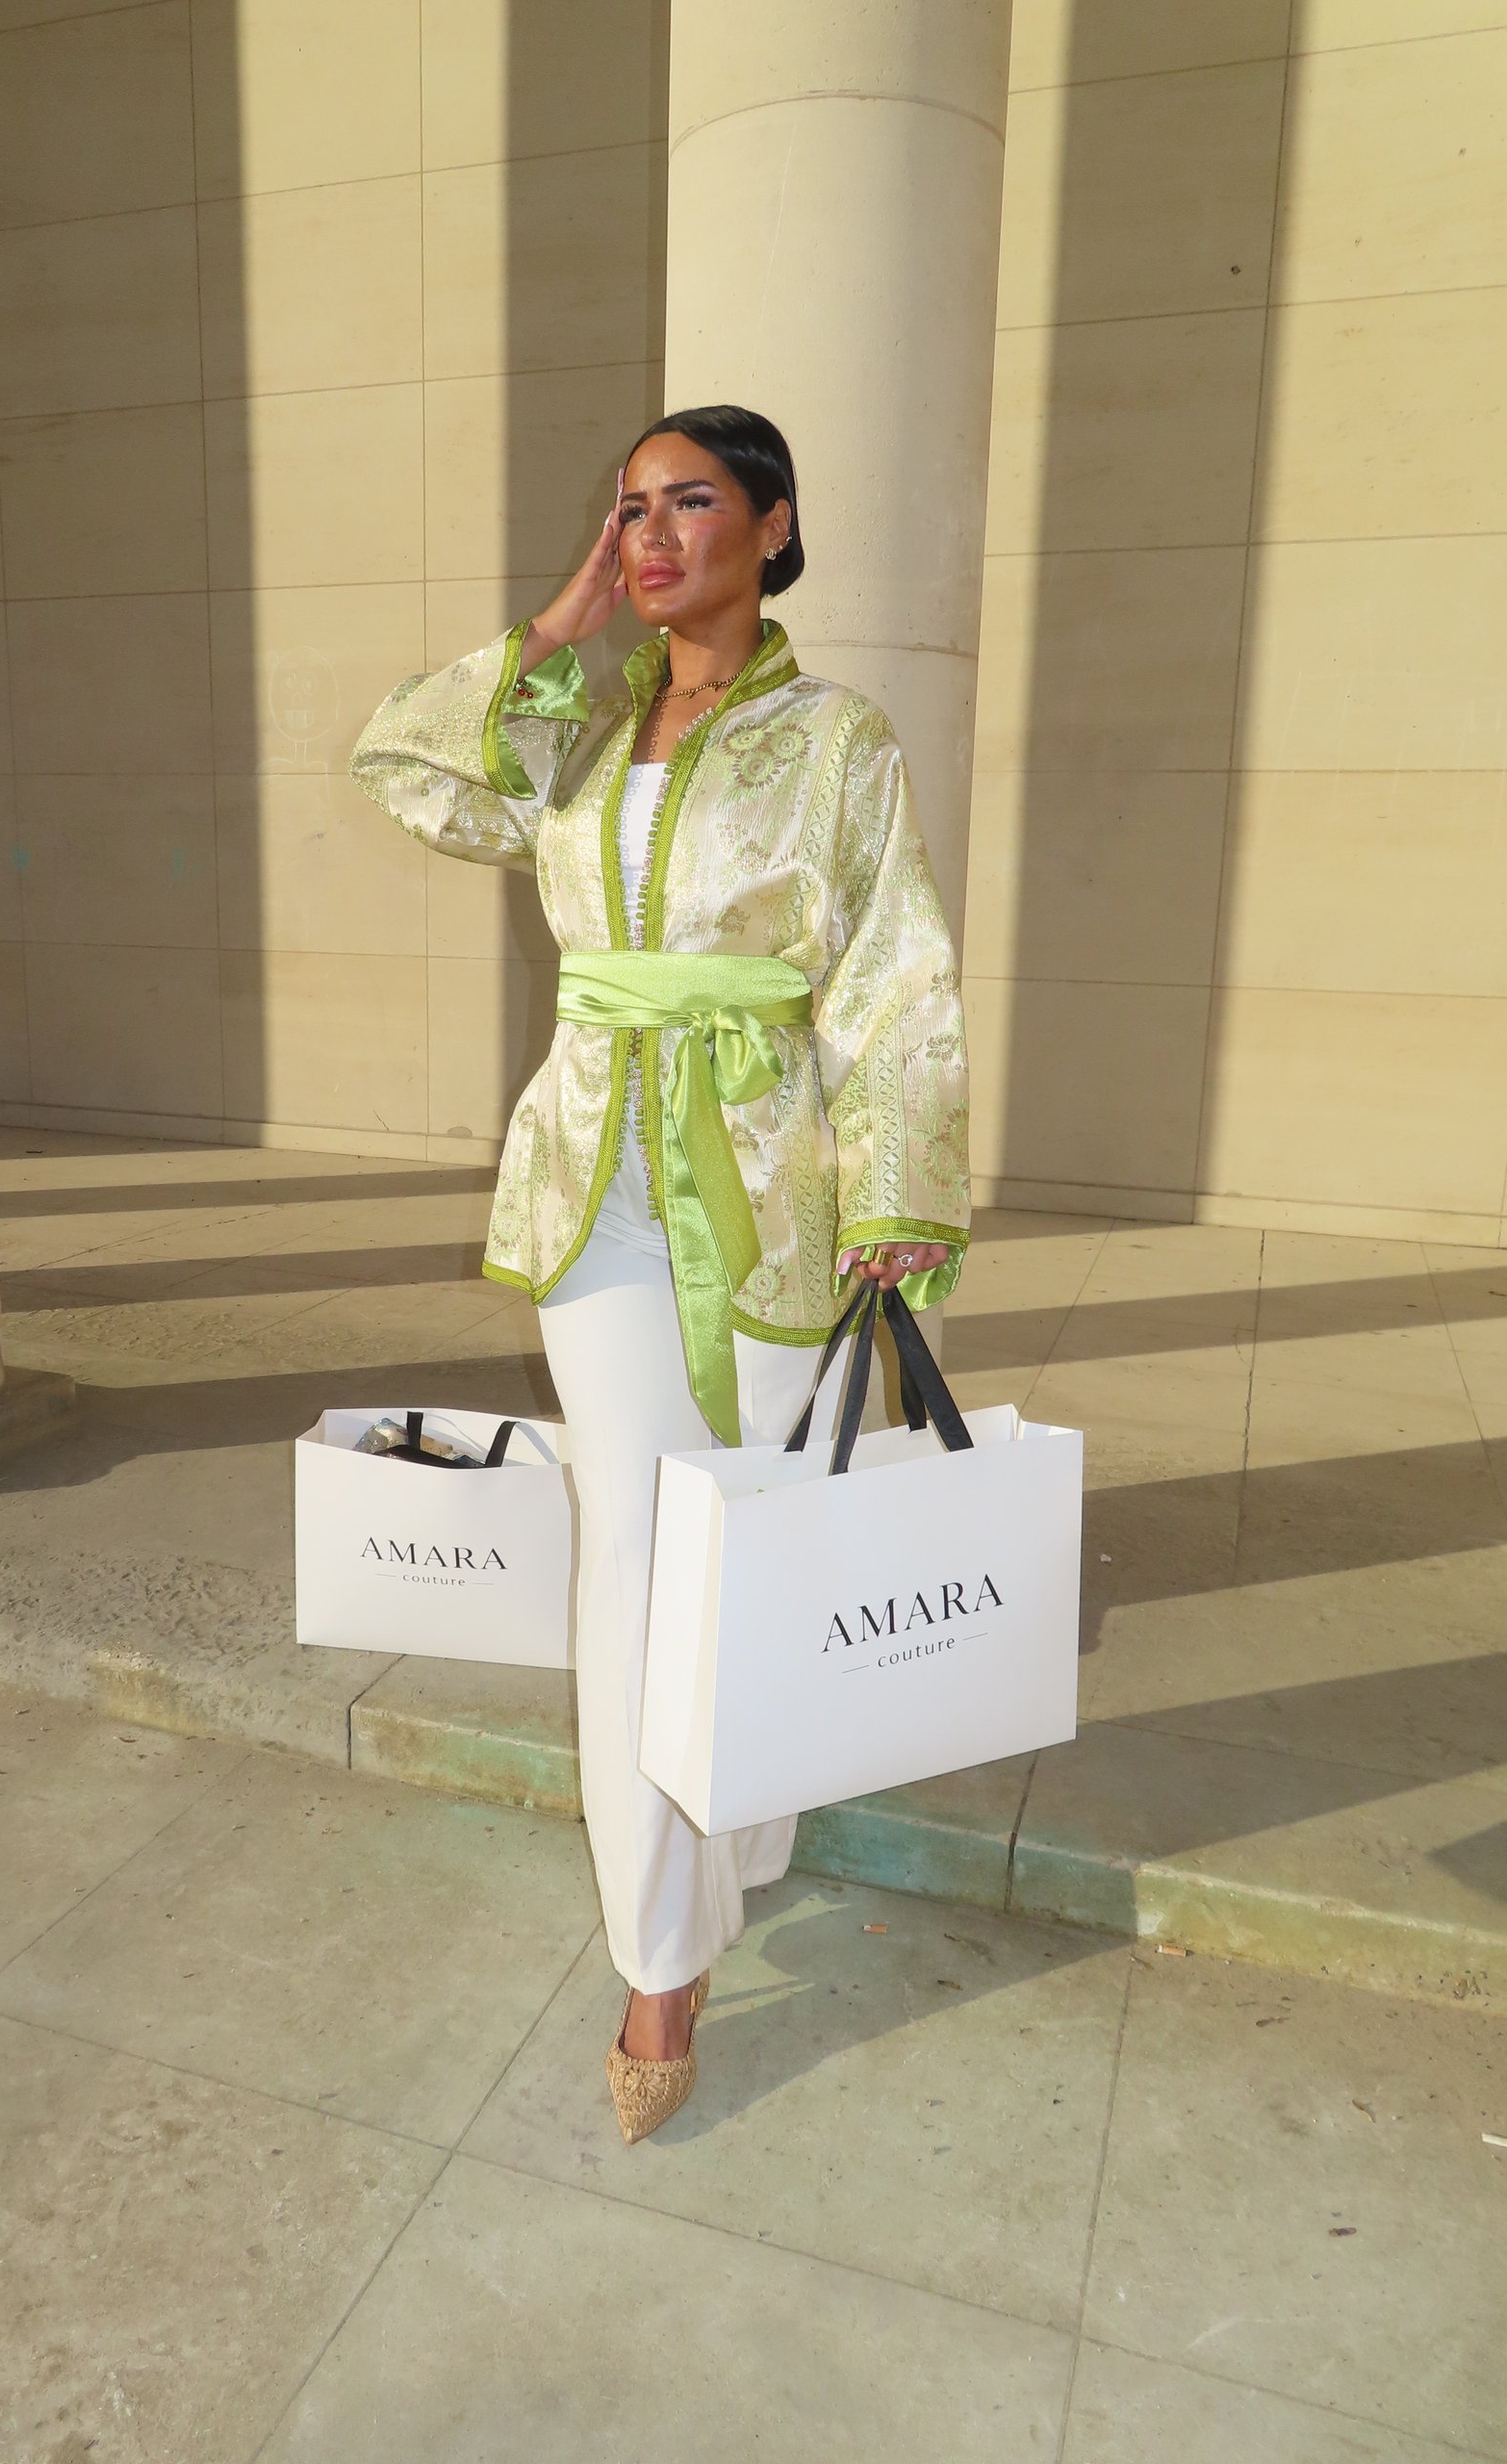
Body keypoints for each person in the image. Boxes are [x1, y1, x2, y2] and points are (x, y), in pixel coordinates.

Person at [350, 405, 969, 2142]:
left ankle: (743, 1822)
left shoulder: (837, 738)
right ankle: (663, 1955)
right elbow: (409, 772)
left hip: (769, 1178)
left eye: (690, 502)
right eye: (626, 506)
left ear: (774, 528)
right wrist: (557, 628)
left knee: (747, 1537)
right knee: (626, 1551)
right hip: (592, 1188)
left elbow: (895, 969)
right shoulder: (577, 725)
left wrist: (901, 1187)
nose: (649, 533)